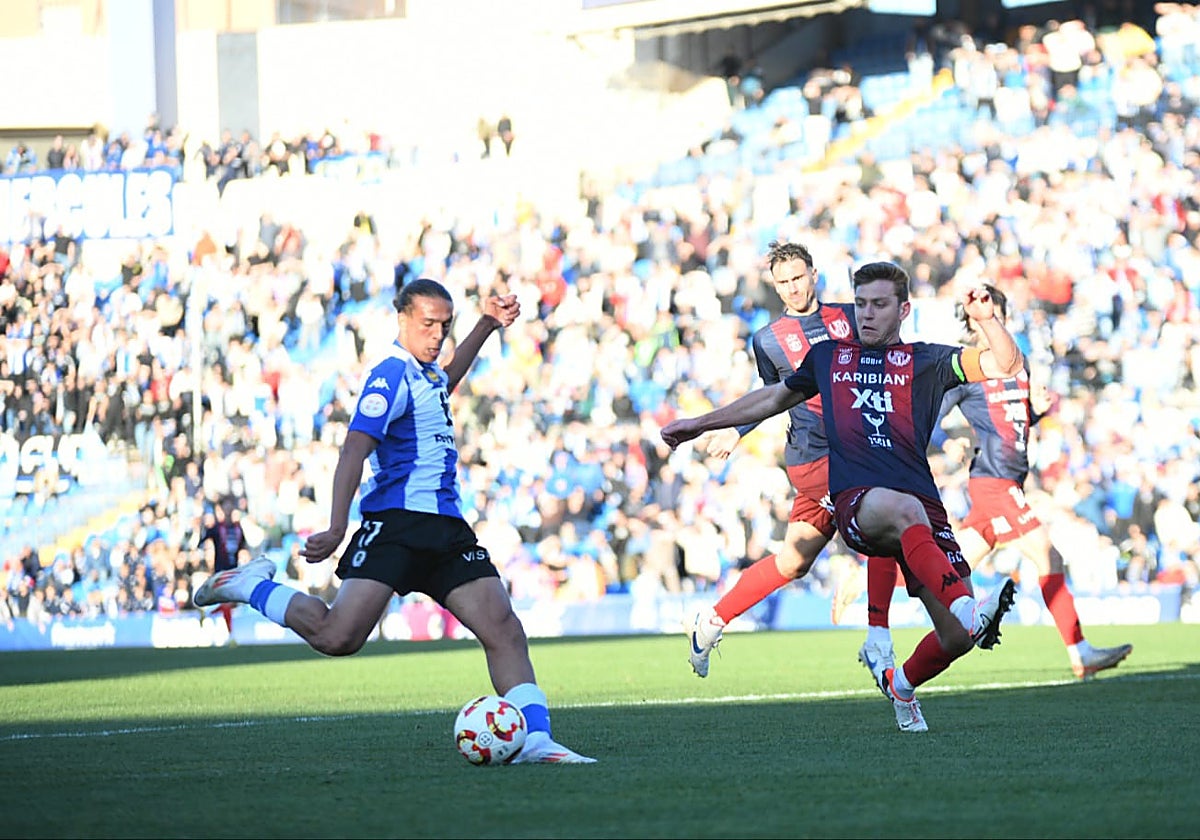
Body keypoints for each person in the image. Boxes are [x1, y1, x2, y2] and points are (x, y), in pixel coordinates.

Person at [194, 278, 594, 764]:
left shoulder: (427, 374)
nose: (437, 335)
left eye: (445, 326)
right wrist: (339, 525)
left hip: (446, 528)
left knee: (504, 628)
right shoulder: (389, 375)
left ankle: (534, 740)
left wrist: (487, 324)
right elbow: (355, 448)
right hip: (397, 526)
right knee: (337, 637)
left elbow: (449, 376)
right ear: (401, 318)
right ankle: (249, 585)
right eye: (428, 324)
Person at [662, 262, 1021, 733]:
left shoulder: (927, 361)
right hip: (857, 500)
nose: (867, 314)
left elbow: (1005, 364)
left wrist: (989, 319)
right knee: (901, 515)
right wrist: (702, 423)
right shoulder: (830, 357)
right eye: (861, 304)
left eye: (879, 305)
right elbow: (771, 399)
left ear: (903, 310)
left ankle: (902, 684)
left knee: (956, 639)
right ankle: (897, 628)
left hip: (922, 508)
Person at [851, 285, 1133, 680]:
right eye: (982, 315)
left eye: (996, 312)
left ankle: (865, 579)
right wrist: (944, 444)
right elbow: (930, 413)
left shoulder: (1019, 365)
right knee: (1047, 556)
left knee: (944, 566)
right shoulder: (968, 371)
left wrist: (1037, 410)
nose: (990, 320)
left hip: (1009, 481)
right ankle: (1079, 650)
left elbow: (1019, 423)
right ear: (970, 323)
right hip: (993, 482)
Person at [685, 240, 890, 678]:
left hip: (860, 446)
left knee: (793, 562)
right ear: (775, 288)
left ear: (814, 274)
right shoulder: (769, 340)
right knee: (885, 525)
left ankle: (713, 620)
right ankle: (878, 638)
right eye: (784, 283)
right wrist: (737, 430)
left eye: (799, 278)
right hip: (814, 455)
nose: (793, 288)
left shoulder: (851, 317)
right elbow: (771, 398)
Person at [197, 500, 251, 640]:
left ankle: (208, 614)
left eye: (230, 507)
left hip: (233, 569)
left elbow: (242, 545)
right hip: (221, 569)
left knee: (229, 603)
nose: (228, 511)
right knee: (227, 602)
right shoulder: (217, 528)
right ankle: (230, 634)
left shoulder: (237, 528)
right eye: (225, 508)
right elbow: (203, 539)